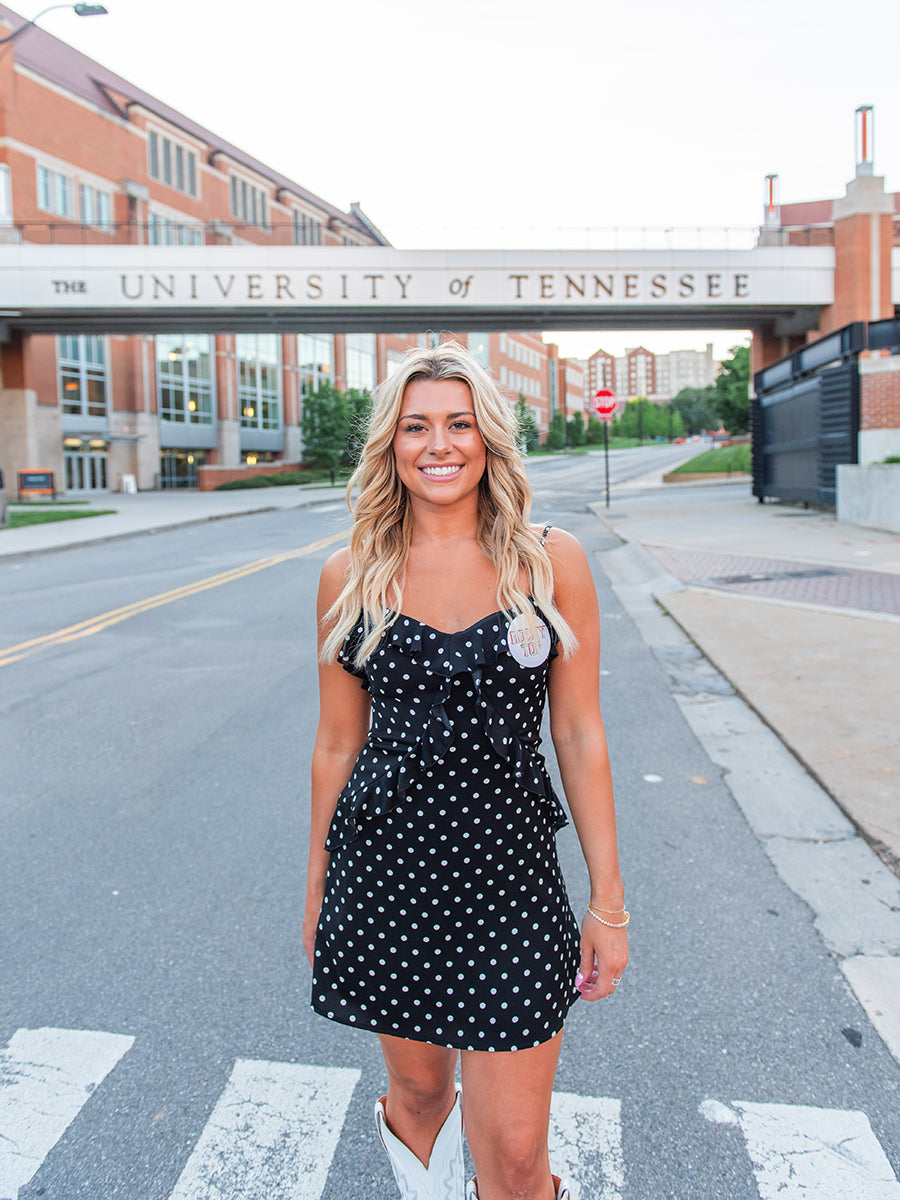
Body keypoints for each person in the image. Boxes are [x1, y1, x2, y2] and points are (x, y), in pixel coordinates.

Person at [303, 341, 628, 1200]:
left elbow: (581, 734)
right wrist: (318, 886)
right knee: (417, 1095)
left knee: (517, 1156)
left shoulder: (550, 562)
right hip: (386, 880)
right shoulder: (351, 575)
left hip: (511, 884)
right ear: (391, 445)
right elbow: (337, 744)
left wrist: (608, 904)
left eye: (458, 423)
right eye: (416, 426)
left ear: (488, 438)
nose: (437, 444)